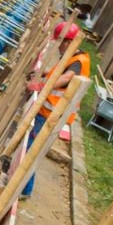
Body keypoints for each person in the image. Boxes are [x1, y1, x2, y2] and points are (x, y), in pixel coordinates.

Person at [21, 23, 89, 198]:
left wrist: (41, 86)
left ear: (68, 42)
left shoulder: (79, 61)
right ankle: (23, 187)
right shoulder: (72, 56)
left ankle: (25, 190)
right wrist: (45, 75)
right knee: (30, 147)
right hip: (48, 112)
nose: (58, 46)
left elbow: (67, 77)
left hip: (52, 115)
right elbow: (58, 73)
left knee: (31, 150)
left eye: (60, 42)